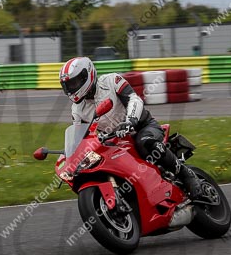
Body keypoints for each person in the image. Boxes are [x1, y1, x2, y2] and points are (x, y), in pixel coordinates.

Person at [59, 56, 203, 199]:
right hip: (114, 141)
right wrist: (69, 157)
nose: (72, 88)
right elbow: (80, 136)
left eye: (74, 83)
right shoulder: (77, 110)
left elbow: (134, 99)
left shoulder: (112, 81)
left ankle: (186, 175)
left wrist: (130, 121)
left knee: (145, 142)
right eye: (68, 85)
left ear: (87, 75)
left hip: (141, 127)